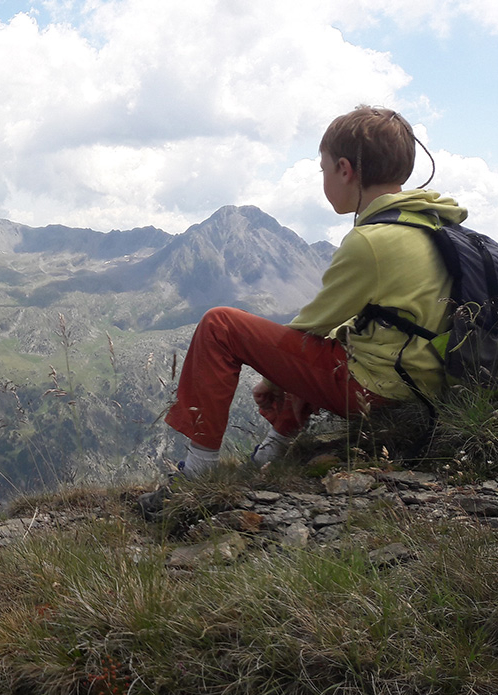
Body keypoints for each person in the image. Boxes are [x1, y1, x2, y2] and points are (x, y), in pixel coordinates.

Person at [158, 105, 466, 487]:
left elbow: (312, 326)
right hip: (427, 383)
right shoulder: (432, 225)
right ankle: (271, 452)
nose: (324, 179)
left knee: (220, 324)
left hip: (381, 388)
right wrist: (288, 370)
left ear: (344, 169)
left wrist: (274, 377)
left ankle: (199, 471)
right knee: (325, 348)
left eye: (323, 170)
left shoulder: (371, 241)